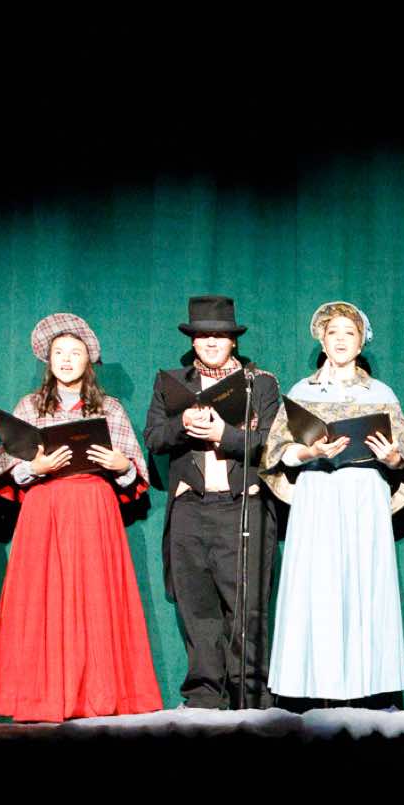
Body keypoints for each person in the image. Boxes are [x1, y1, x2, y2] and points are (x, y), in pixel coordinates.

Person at [0, 313, 162, 722]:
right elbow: (4, 469)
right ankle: (39, 695)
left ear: (87, 361)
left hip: (94, 509)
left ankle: (97, 693)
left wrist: (120, 465)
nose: (66, 359)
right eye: (59, 352)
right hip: (44, 509)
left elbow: (135, 474)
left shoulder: (109, 408)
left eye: (74, 352)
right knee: (40, 598)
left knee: (96, 597)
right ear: (48, 360)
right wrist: (34, 468)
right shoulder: (29, 406)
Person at [260, 301, 404, 708]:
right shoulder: (302, 392)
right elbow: (277, 453)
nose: (341, 340)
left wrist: (391, 458)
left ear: (361, 343)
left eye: (350, 333)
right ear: (322, 340)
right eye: (334, 333)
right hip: (318, 493)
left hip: (364, 494)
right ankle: (308, 690)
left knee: (366, 586)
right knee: (315, 587)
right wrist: (310, 452)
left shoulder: (380, 394)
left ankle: (371, 689)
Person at [142, 295, 281, 710]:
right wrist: (182, 424)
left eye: (219, 335)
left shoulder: (260, 383)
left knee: (246, 604)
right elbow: (154, 438)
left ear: (233, 341)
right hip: (191, 507)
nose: (211, 342)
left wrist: (225, 435)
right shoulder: (172, 382)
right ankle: (204, 694)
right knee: (197, 604)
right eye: (203, 335)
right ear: (193, 340)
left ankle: (250, 693)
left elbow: (274, 443)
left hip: (242, 506)